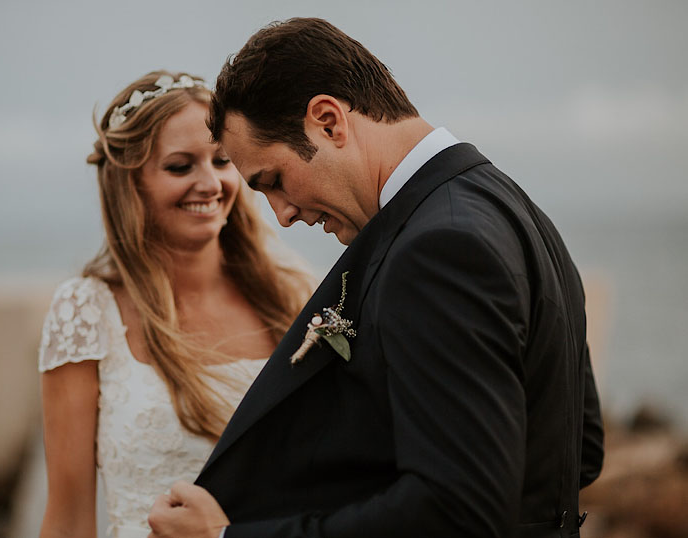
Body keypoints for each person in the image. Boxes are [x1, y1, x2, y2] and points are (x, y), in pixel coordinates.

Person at [145, 18, 605, 538]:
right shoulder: (511, 208)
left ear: (328, 121)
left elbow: (459, 513)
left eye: (273, 181)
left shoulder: (438, 250)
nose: (283, 214)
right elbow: (579, 450)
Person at [38, 70, 313, 538]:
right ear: (131, 184)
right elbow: (67, 519)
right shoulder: (84, 312)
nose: (210, 183)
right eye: (180, 166)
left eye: (222, 161)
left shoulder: (293, 294)